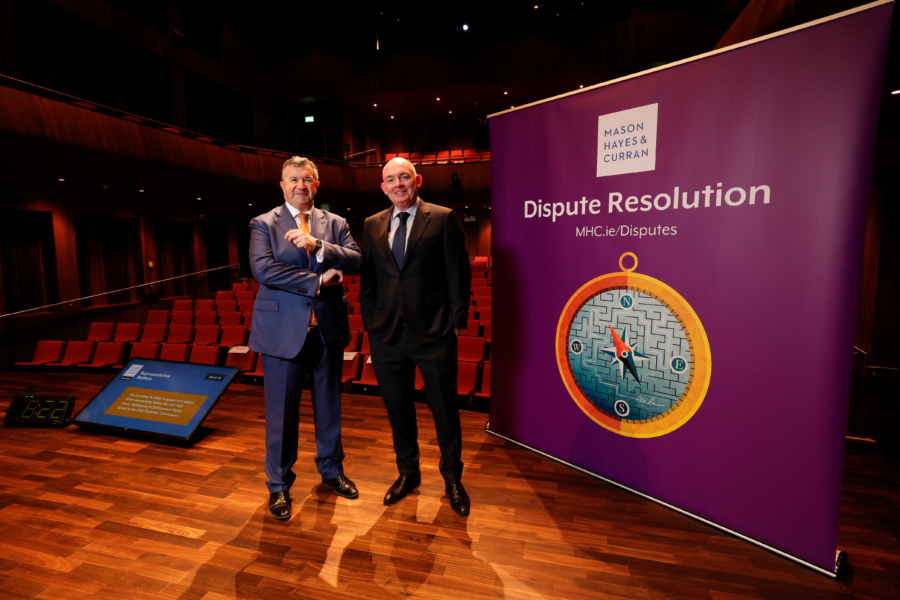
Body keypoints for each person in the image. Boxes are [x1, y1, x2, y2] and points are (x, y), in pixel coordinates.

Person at [249, 156, 361, 520]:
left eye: (307, 179)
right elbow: (263, 269)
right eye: (293, 179)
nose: (301, 185)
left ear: (317, 184)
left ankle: (332, 471)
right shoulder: (263, 223)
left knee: (330, 406)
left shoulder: (336, 223)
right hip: (282, 333)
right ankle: (279, 486)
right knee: (281, 413)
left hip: (326, 330)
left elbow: (357, 260)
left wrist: (318, 245)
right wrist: (317, 280)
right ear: (282, 186)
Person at [360, 157, 472, 516]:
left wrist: (457, 322)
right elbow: (369, 279)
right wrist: (370, 320)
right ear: (383, 187)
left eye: (403, 177)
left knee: (444, 410)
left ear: (417, 179)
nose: (397, 184)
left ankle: (453, 479)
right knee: (398, 411)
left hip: (434, 333)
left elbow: (458, 273)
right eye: (390, 180)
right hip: (387, 334)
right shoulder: (371, 224)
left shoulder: (442, 218)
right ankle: (408, 473)